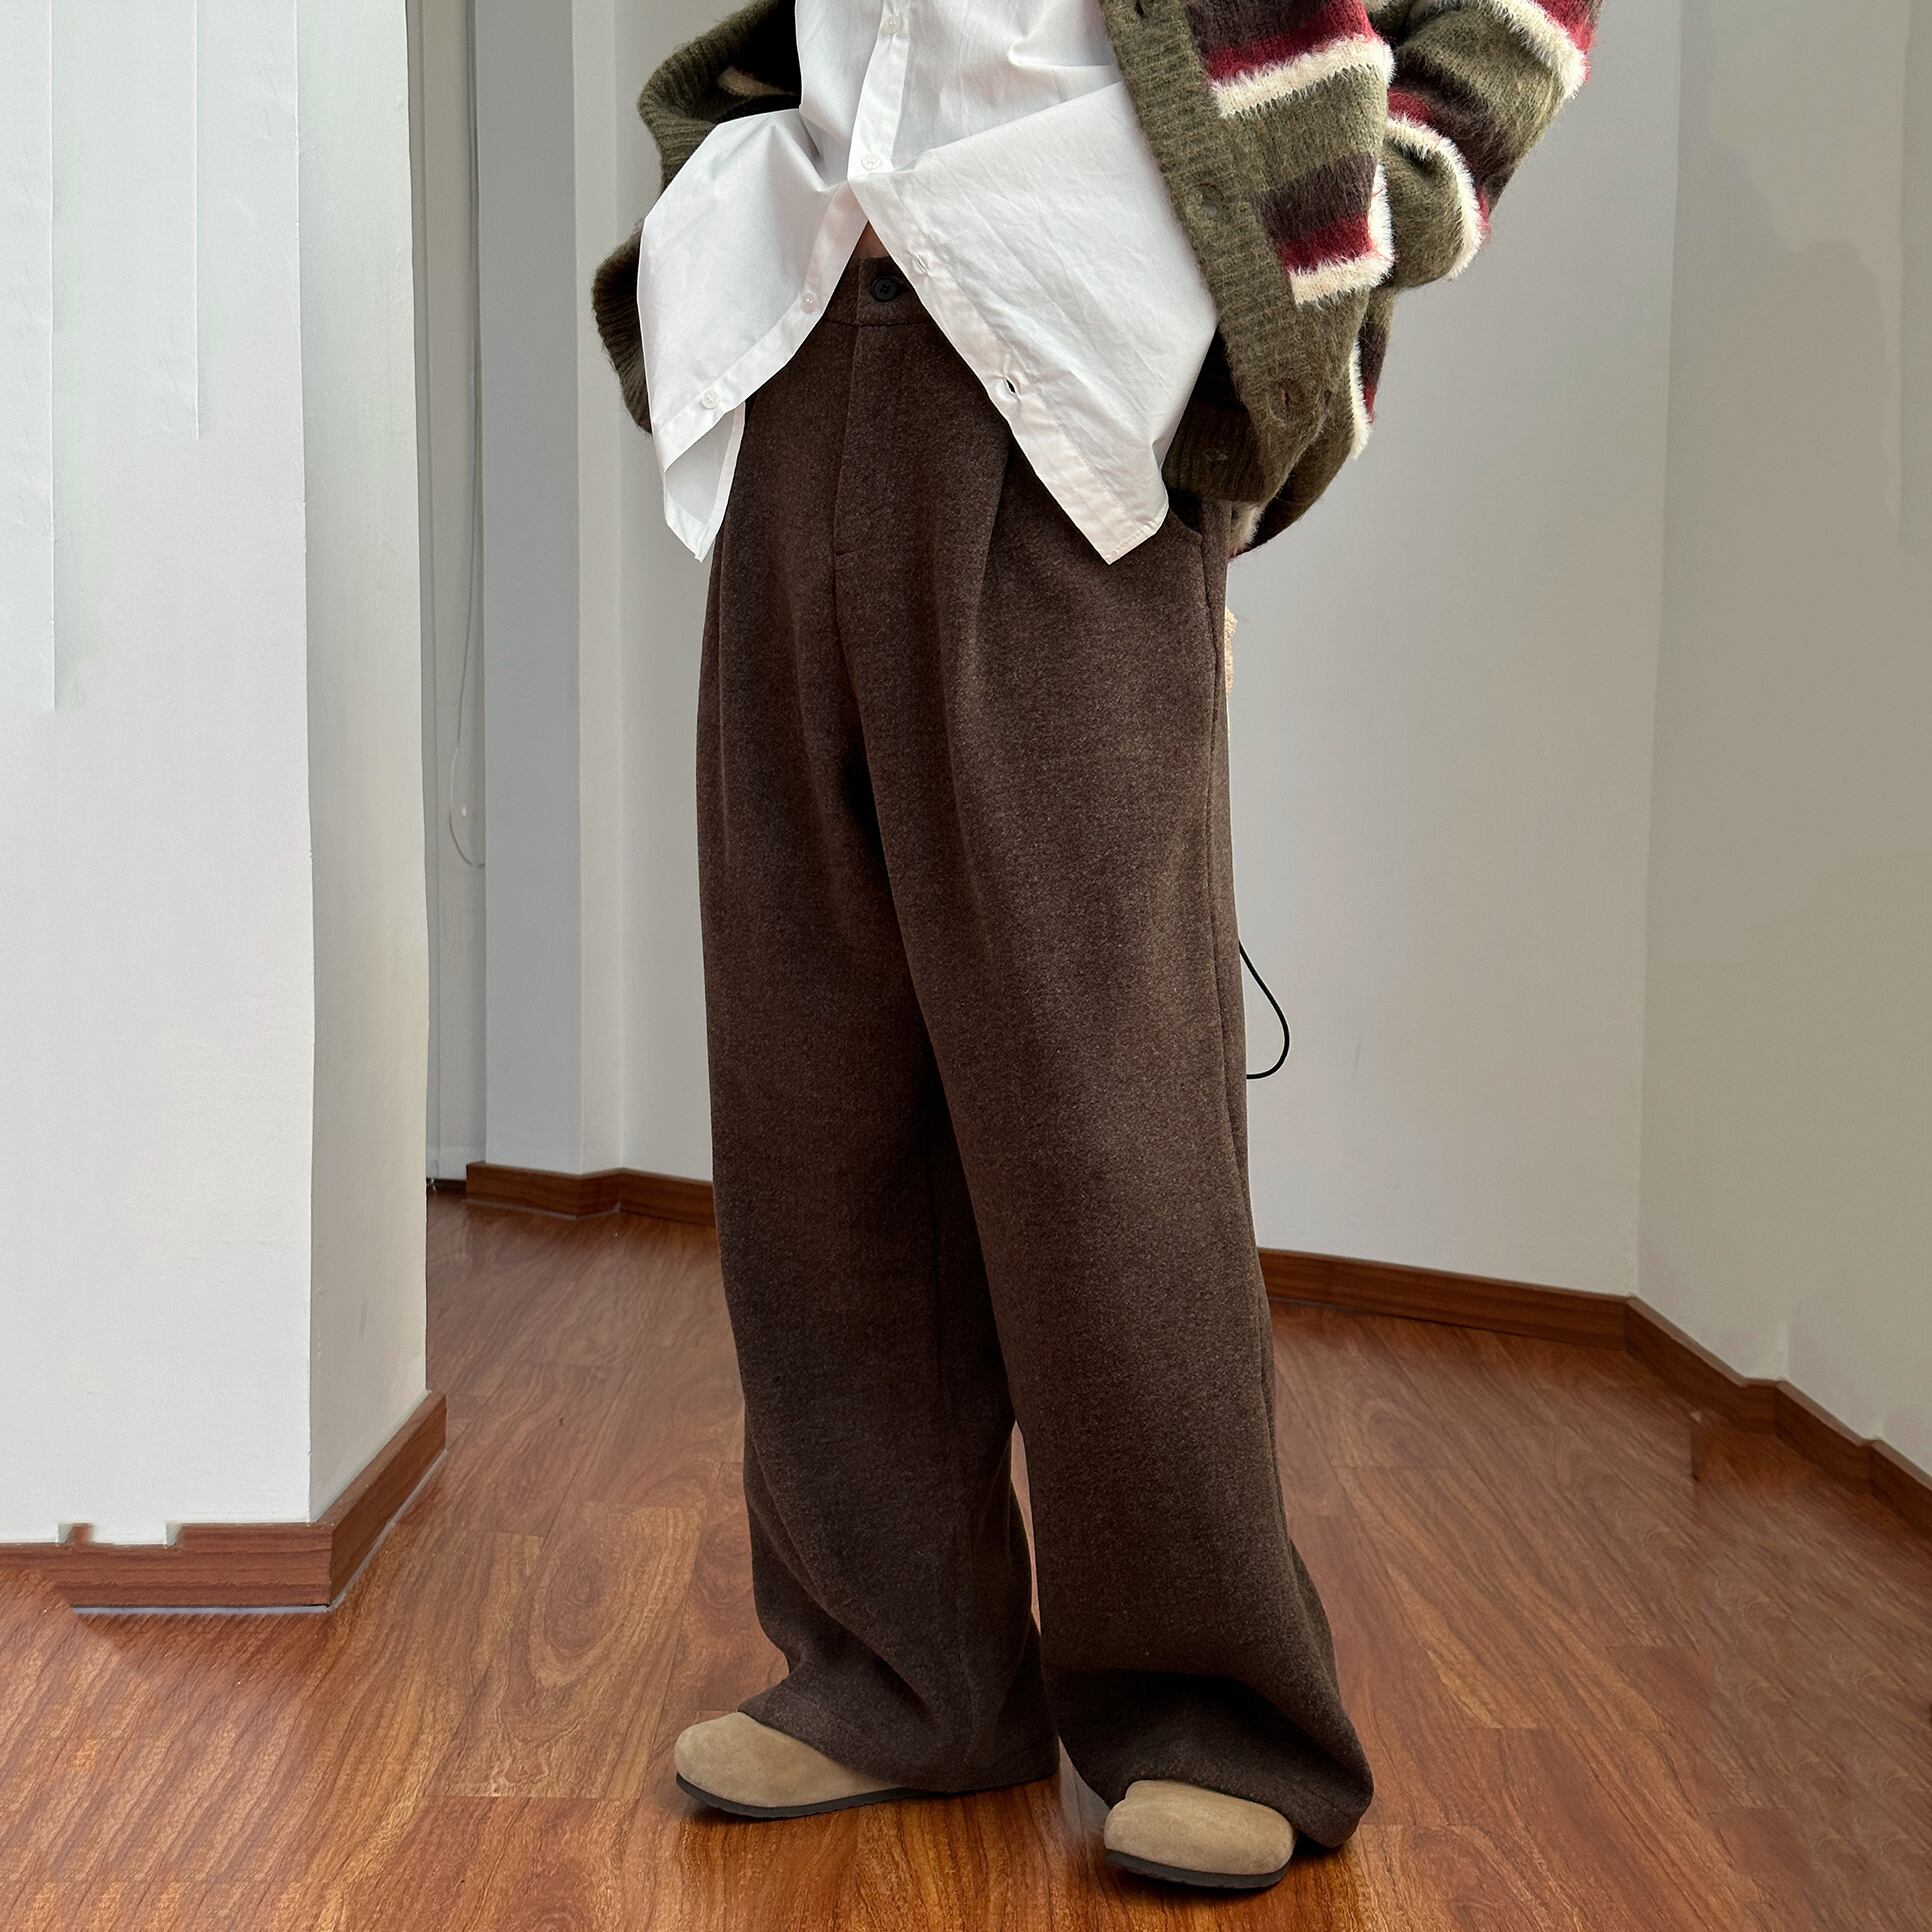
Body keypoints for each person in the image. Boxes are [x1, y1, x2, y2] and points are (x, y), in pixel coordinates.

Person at [593, 0, 1600, 1894]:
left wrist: (1356, 209)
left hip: (1070, 356)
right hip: (807, 327)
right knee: (812, 1086)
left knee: (1102, 1107)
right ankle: (898, 1675)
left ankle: (1218, 1715)